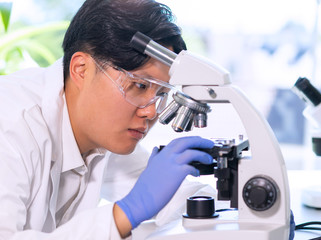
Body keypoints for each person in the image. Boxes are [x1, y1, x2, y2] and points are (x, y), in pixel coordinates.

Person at [0, 0, 215, 239]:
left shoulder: (100, 134)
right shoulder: (9, 124)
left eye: (162, 94)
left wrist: (207, 197)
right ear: (81, 69)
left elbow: (174, 195)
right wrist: (125, 213)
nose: (151, 112)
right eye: (139, 85)